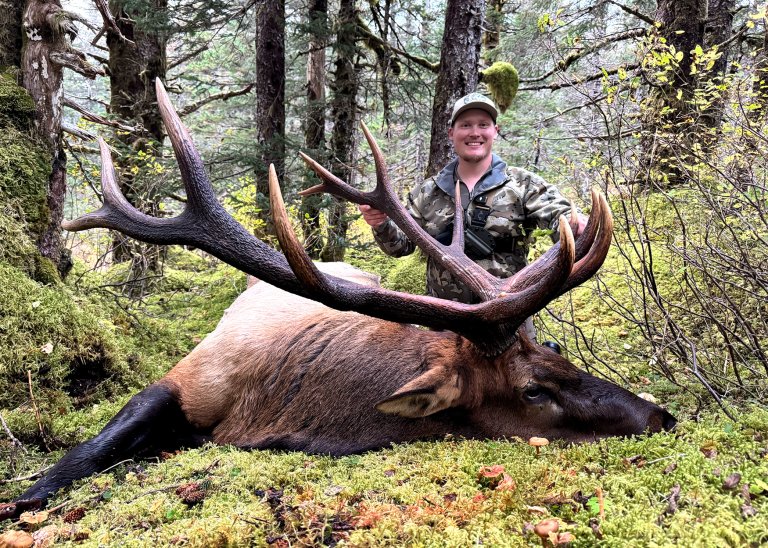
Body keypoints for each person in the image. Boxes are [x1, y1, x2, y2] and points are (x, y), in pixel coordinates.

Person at [359, 92, 587, 342]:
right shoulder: (427, 192)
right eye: (465, 125)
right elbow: (400, 247)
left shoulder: (523, 185)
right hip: (444, 322)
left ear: (495, 131)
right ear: (451, 133)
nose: (474, 132)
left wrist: (575, 224)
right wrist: (381, 223)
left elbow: (559, 217)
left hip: (507, 321)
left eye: (483, 125)